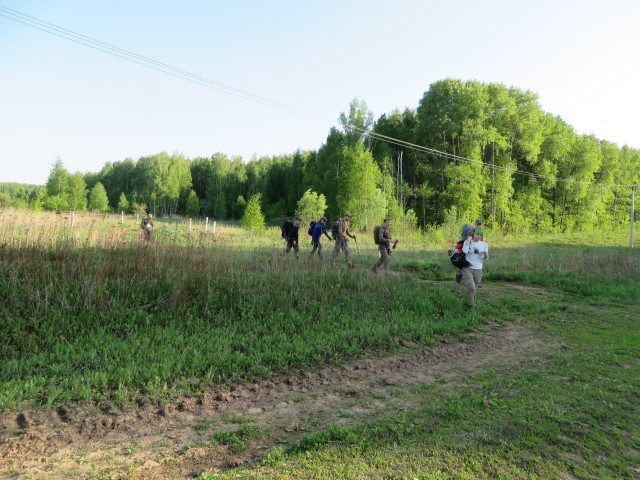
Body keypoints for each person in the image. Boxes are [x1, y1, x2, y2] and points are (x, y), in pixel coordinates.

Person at [460, 227, 489, 308]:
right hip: (467, 268)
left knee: (474, 288)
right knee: (472, 288)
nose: (479, 236)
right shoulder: (467, 242)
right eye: (477, 234)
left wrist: (486, 255)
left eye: (480, 235)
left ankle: (468, 303)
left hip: (478, 269)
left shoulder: (484, 245)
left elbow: (485, 258)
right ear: (473, 234)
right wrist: (469, 239)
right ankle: (470, 306)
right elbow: (465, 251)